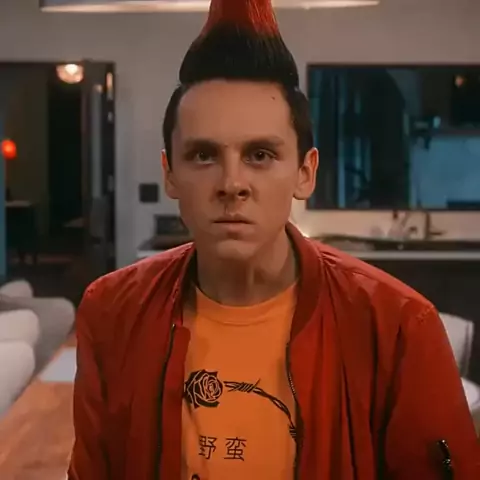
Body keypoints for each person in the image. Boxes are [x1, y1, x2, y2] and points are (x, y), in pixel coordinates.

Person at [68, 0, 480, 478]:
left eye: (260, 154)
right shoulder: (112, 311)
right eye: (203, 155)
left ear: (305, 172)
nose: (232, 183)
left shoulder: (396, 326)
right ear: (170, 173)